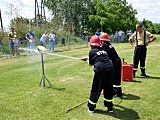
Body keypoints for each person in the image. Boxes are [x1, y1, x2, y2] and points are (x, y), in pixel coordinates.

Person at [81, 35, 114, 113]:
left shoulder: (92, 51)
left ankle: (91, 107)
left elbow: (90, 64)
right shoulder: (103, 50)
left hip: (101, 70)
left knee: (96, 88)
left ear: (91, 44)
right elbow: (99, 58)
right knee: (108, 88)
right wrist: (88, 58)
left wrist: (87, 60)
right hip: (110, 69)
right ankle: (109, 107)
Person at [99, 33, 123, 98]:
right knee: (117, 77)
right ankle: (119, 92)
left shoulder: (104, 45)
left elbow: (102, 55)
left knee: (114, 77)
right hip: (118, 61)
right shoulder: (109, 45)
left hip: (114, 62)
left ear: (102, 40)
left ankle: (115, 92)